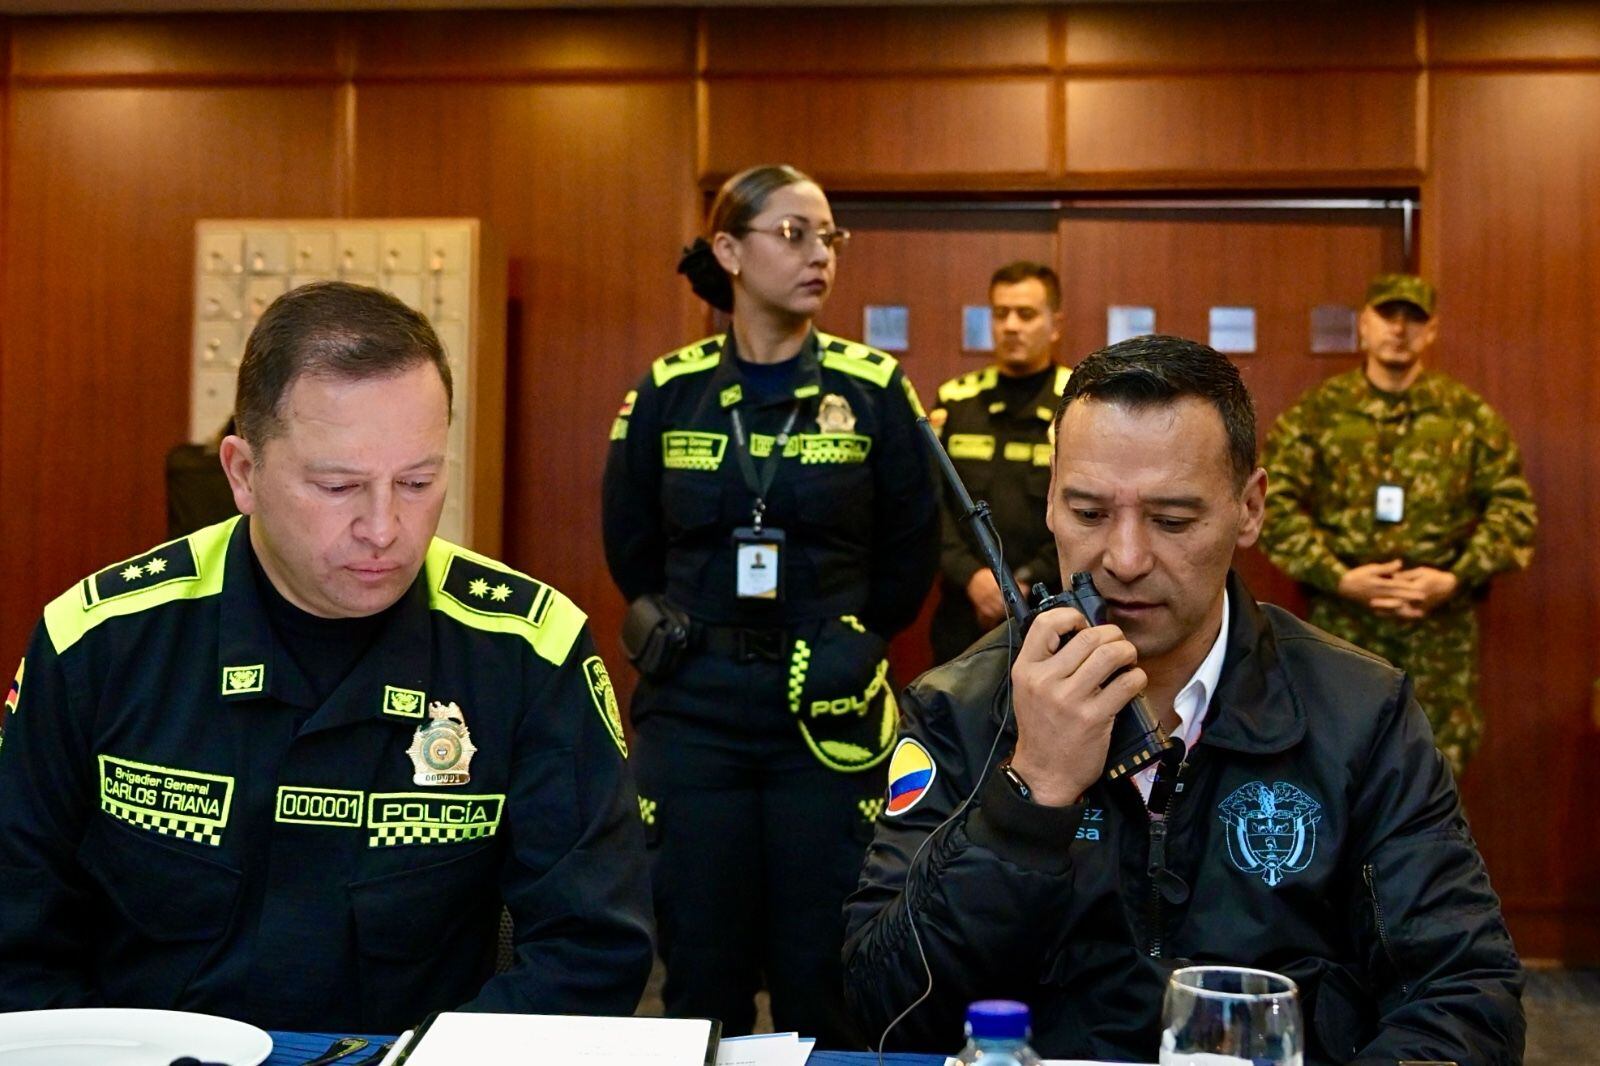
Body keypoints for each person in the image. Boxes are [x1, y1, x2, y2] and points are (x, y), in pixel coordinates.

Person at [843, 336, 1524, 1065]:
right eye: (1089, 512)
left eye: (1172, 520)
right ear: (1049, 503)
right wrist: (1027, 798)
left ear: (1251, 508)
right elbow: (886, 1012)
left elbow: (1462, 995)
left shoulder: (1361, 712)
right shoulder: (958, 706)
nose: (1125, 560)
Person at [0, 282, 653, 1032]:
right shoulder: (100, 644)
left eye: (417, 481)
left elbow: (589, 952)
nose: (385, 527)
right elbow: (16, 943)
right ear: (243, 473)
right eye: (338, 486)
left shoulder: (529, 654)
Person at [603, 163, 937, 1045]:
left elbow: (911, 545)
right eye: (794, 233)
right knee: (700, 964)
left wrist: (859, 635)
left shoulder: (873, 389)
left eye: (830, 235)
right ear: (729, 251)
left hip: (825, 710)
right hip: (695, 709)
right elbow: (629, 541)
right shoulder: (670, 389)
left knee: (822, 968)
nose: (819, 253)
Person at [1261, 273, 1536, 776]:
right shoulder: (1319, 414)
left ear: (1432, 332)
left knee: (1434, 773)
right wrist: (1339, 576)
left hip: (1437, 636)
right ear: (1364, 324)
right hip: (1341, 628)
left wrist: (1454, 578)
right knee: (1330, 767)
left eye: (1415, 319)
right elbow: (1268, 506)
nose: (1400, 330)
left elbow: (1514, 512)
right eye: (1388, 316)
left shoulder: (1467, 416)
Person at [928, 261, 1069, 665]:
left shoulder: (1078, 403)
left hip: (1052, 608)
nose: (1010, 326)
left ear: (1054, 324)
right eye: (1000, 313)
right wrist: (973, 578)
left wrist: (1021, 582)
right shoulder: (956, 402)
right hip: (964, 613)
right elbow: (932, 507)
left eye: (1025, 314)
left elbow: (1091, 510)